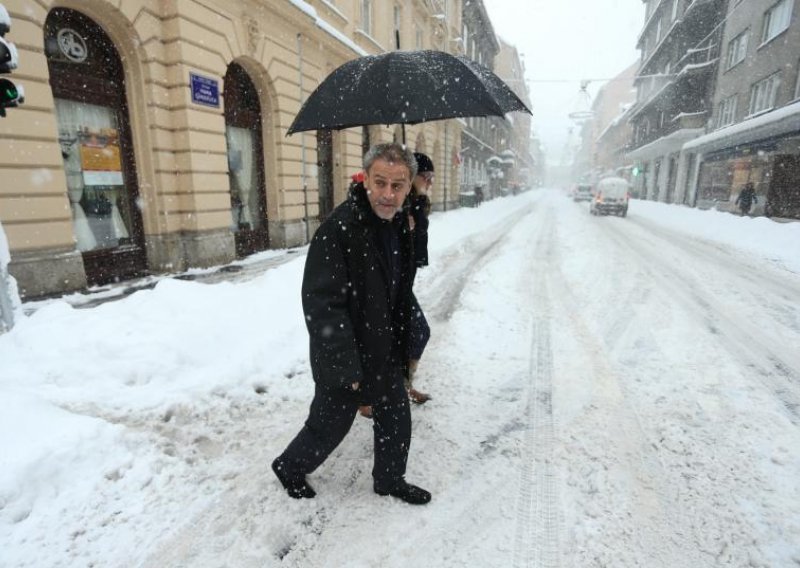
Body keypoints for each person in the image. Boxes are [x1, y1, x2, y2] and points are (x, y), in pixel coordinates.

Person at [272, 142, 431, 505]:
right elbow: (322, 303)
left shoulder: (399, 225)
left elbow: (400, 289)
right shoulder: (340, 229)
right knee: (329, 425)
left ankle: (390, 479)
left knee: (395, 416)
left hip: (385, 346)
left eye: (398, 185)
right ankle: (289, 466)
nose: (387, 194)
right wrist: (344, 364)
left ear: (409, 186)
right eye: (380, 183)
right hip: (348, 353)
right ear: (365, 180)